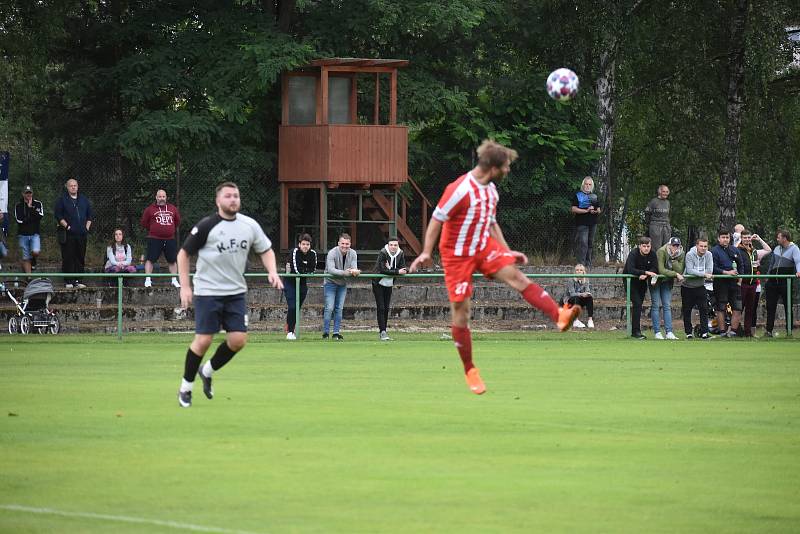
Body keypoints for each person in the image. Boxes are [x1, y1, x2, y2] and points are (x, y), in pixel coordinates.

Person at [409, 140, 580, 395]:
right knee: (461, 311)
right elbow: (436, 220)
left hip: (483, 246)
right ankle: (470, 370)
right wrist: (425, 251)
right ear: (493, 167)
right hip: (457, 255)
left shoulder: (491, 192)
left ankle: (560, 316)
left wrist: (507, 250)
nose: (508, 170)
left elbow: (491, 223)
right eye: (507, 166)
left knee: (517, 277)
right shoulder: (459, 189)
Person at [176, 182, 282, 408]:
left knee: (238, 340)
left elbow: (266, 250)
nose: (233, 199)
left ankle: (207, 370)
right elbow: (183, 255)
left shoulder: (249, 225)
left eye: (236, 196)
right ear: (218, 201)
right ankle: (186, 387)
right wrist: (185, 287)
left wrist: (272, 271)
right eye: (228, 196)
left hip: (235, 292)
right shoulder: (207, 226)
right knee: (204, 340)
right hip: (208, 291)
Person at [54, 178, 93, 288]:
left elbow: (90, 215)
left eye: (75, 185)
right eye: (71, 185)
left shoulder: (84, 199)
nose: (73, 187)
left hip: (82, 234)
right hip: (69, 234)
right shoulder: (62, 200)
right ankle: (69, 281)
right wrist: (68, 227)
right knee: (68, 256)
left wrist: (87, 228)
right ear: (67, 187)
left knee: (80, 256)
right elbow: (58, 215)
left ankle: (78, 280)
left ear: (78, 186)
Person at [762, 229, 800, 338]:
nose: (777, 239)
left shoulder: (794, 249)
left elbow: (798, 261)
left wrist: (798, 271)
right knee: (770, 306)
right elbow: (772, 264)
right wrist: (768, 277)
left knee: (788, 306)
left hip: (785, 281)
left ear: (784, 238)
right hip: (773, 281)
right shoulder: (777, 248)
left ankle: (789, 331)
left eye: (778, 237)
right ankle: (768, 331)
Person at [140, 189, 181, 288]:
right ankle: (148, 280)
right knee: (150, 259)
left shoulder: (173, 208)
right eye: (160, 196)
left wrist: (167, 229)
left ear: (166, 197)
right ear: (156, 197)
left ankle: (174, 280)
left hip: (170, 239)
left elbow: (177, 221)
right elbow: (144, 222)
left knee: (172, 260)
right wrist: (155, 229)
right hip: (154, 238)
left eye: (163, 196)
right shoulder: (150, 209)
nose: (161, 198)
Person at [322, 233, 360, 340]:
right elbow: (331, 270)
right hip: (330, 283)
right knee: (329, 308)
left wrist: (355, 272)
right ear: (338, 243)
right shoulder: (332, 253)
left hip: (342, 284)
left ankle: (336, 333)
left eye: (347, 244)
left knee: (339, 308)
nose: (345, 246)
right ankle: (325, 333)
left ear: (350, 244)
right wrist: (345, 272)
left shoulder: (353, 253)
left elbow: (354, 268)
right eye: (342, 243)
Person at [622, 236, 659, 339]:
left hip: (642, 282)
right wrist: (644, 272)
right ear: (640, 246)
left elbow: (655, 268)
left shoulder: (652, 254)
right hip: (631, 282)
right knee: (637, 304)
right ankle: (635, 332)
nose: (646, 248)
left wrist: (646, 275)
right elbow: (630, 269)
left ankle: (636, 331)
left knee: (639, 305)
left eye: (648, 246)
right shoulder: (633, 253)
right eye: (644, 246)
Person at [372, 237, 408, 340]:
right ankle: (382, 332)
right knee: (381, 307)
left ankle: (384, 331)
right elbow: (382, 269)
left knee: (386, 308)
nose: (393, 247)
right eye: (391, 245)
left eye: (395, 245)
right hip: (378, 282)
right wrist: (396, 271)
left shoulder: (400, 253)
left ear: (398, 246)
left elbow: (403, 268)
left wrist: (392, 270)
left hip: (389, 283)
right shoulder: (383, 252)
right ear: (388, 245)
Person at [736, 230, 769, 337]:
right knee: (738, 309)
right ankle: (735, 330)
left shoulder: (754, 251)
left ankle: (748, 332)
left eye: (748, 237)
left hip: (753, 284)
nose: (747, 239)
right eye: (744, 237)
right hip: (742, 283)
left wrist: (759, 239)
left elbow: (768, 250)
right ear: (741, 238)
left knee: (750, 309)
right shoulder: (738, 250)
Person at [710, 229, 743, 337]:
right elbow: (713, 267)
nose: (725, 239)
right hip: (721, 283)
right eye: (723, 237)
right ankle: (722, 332)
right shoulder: (714, 251)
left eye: (727, 237)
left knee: (738, 307)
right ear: (719, 238)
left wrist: (740, 280)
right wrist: (726, 272)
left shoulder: (735, 250)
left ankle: (733, 332)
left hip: (734, 283)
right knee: (721, 308)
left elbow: (741, 265)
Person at [284, 233, 317, 340]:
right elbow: (296, 269)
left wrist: (304, 270)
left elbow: (312, 270)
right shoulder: (294, 252)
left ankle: (290, 327)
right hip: (290, 283)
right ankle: (290, 331)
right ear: (299, 244)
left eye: (307, 244)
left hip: (302, 284)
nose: (305, 246)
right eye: (303, 244)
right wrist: (304, 269)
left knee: (297, 308)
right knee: (292, 306)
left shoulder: (312, 254)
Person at [652, 236, 685, 340]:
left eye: (677, 246)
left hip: (667, 282)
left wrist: (674, 259)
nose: (675, 247)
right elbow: (661, 270)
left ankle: (669, 332)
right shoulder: (661, 251)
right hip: (656, 281)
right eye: (673, 245)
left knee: (667, 305)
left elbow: (680, 269)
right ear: (669, 245)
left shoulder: (681, 253)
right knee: (656, 305)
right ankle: (657, 332)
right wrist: (675, 274)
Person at [682, 237, 714, 339]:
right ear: (697, 246)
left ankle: (704, 333)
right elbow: (690, 270)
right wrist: (703, 274)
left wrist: (703, 274)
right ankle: (688, 333)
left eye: (705, 246)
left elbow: (710, 270)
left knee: (704, 309)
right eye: (701, 246)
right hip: (687, 287)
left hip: (700, 286)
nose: (703, 248)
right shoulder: (689, 254)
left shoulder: (709, 255)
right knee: (687, 310)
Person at [570, 176, 601, 267]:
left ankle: (588, 263)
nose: (587, 186)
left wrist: (594, 210)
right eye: (586, 184)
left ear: (592, 186)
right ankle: (581, 264)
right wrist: (586, 211)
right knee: (583, 243)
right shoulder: (578, 196)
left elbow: (598, 210)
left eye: (589, 184)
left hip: (593, 223)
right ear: (583, 185)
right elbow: (573, 209)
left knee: (590, 243)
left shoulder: (594, 197)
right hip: (582, 223)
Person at [14, 185, 44, 274]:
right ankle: (29, 278)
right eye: (26, 193)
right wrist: (32, 218)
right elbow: (19, 220)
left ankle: (33, 259)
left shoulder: (38, 204)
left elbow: (40, 216)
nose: (28, 195)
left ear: (32, 193)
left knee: (35, 251)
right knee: (25, 257)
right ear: (23, 194)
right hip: (23, 235)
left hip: (35, 234)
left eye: (30, 193)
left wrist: (31, 208)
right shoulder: (18, 205)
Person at [561, 263, 594, 329]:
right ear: (575, 271)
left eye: (581, 270)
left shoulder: (586, 280)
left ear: (583, 272)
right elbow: (572, 294)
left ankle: (590, 320)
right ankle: (575, 320)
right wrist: (581, 294)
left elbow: (588, 290)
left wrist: (587, 294)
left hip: (580, 299)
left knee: (589, 298)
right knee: (576, 297)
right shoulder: (571, 280)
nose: (579, 271)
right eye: (577, 270)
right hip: (569, 300)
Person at [644, 184, 671, 251]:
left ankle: (664, 261)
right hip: (655, 226)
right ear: (659, 192)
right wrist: (649, 225)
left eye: (667, 192)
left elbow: (667, 215)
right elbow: (647, 213)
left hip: (666, 227)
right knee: (656, 248)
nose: (665, 193)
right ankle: (655, 261)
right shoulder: (653, 201)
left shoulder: (667, 202)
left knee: (666, 247)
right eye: (664, 191)